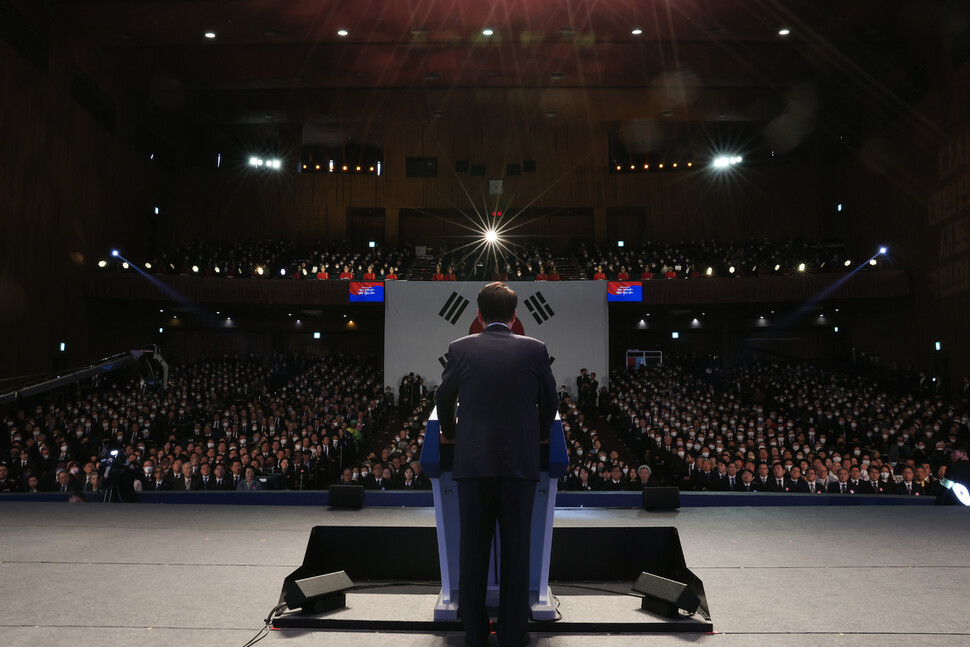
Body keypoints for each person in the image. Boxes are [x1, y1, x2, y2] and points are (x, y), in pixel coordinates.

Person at [436, 282, 558, 647]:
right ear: (515, 315)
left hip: (472, 465)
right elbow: (550, 402)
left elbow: (443, 397)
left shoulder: (460, 348)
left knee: (472, 551)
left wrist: (449, 432)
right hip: (519, 466)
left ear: (478, 314)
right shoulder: (536, 349)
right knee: (517, 551)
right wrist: (537, 436)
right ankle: (511, 633)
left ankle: (474, 633)